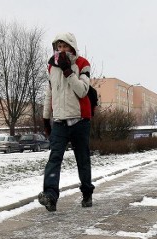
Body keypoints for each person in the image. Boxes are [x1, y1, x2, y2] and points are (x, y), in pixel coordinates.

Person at [37, 32, 95, 212]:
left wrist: (68, 71)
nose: (61, 50)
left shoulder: (82, 64)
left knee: (82, 159)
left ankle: (87, 193)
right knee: (54, 158)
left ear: (71, 47)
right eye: (58, 47)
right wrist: (46, 119)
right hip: (60, 122)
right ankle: (50, 196)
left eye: (64, 46)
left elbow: (83, 91)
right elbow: (50, 93)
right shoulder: (51, 67)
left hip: (80, 121)